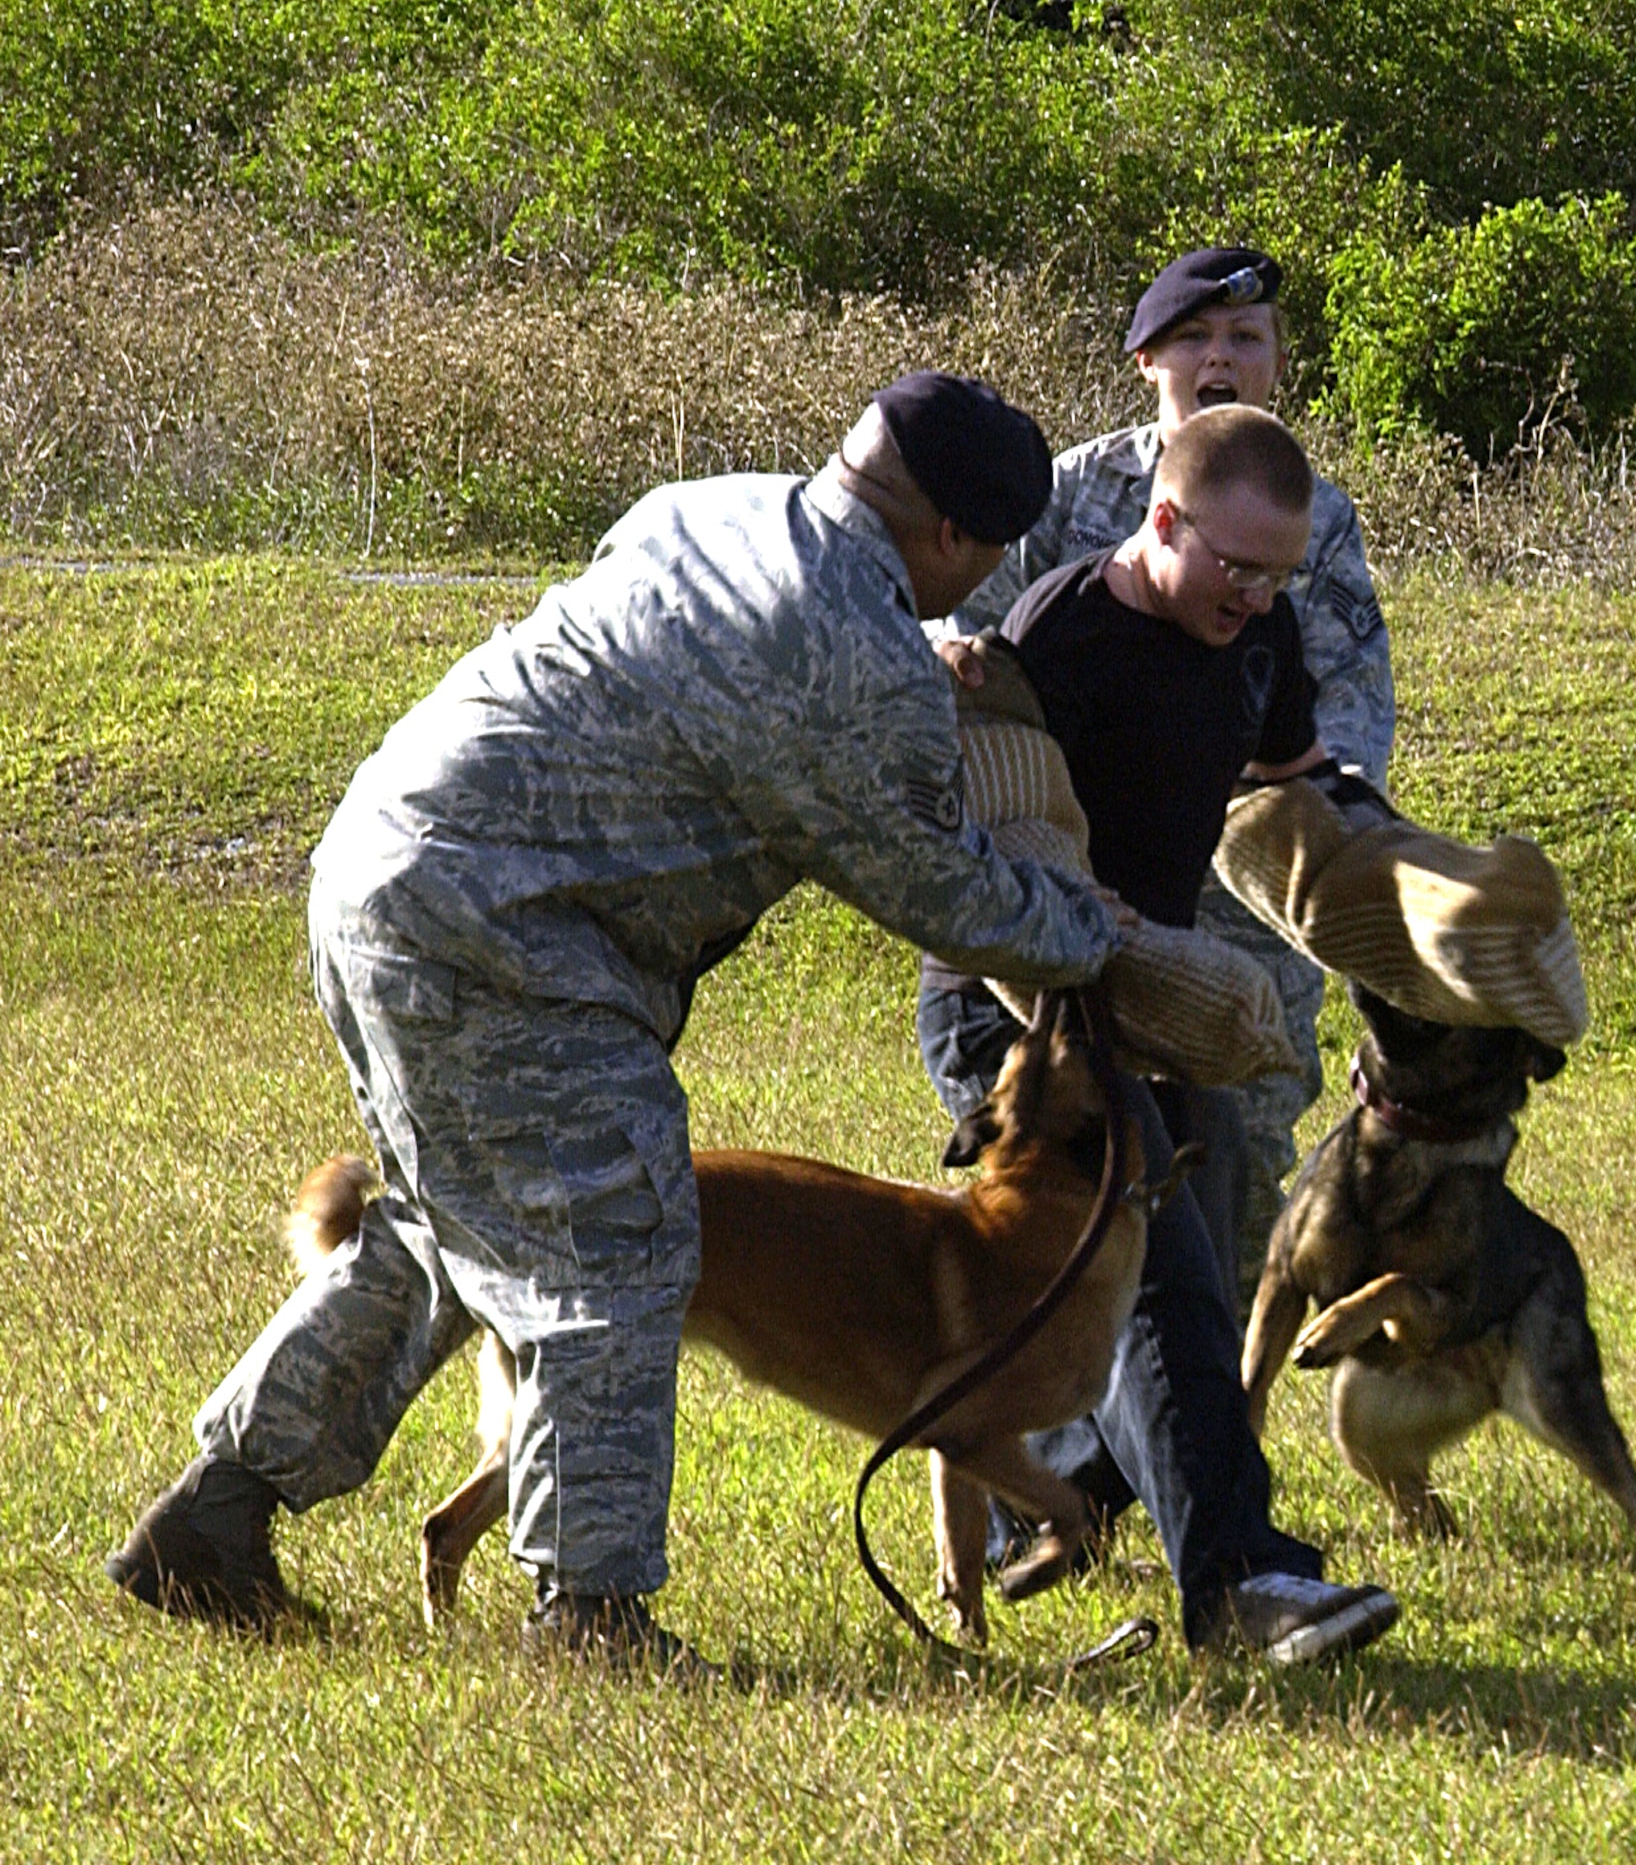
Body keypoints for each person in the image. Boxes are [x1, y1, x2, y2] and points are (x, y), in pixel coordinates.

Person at [105, 374, 1123, 1672]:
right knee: (620, 1251)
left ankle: (213, 1522)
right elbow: (950, 897)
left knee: (442, 1229)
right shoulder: (863, 656)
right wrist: (1103, 932)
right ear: (954, 542)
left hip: (381, 866)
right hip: (518, 938)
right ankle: (588, 1616)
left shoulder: (713, 509)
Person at [919, 403, 1400, 1664]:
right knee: (1161, 1277)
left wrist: (1412, 879)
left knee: (1187, 1241)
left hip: (1145, 1005)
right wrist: (1081, 916)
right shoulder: (1066, 628)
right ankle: (1240, 1584)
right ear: (1161, 518)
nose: (1252, 596)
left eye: (1276, 573)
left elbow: (1295, 781)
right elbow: (995, 832)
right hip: (1017, 1004)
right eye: (1231, 566)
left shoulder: (1259, 629)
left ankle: (1068, 1494)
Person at [946, 246, 1394, 1287]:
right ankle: (1066, 1406)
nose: (1220, 357)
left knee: (1231, 1171)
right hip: (1070, 883)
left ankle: (1207, 1419)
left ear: (1277, 365)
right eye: (1194, 337)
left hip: (1233, 899)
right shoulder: (1066, 490)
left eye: (1245, 338)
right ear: (1148, 358)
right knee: (1052, 1169)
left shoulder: (1312, 521)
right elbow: (961, 640)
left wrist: (1356, 853)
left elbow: (1341, 713)